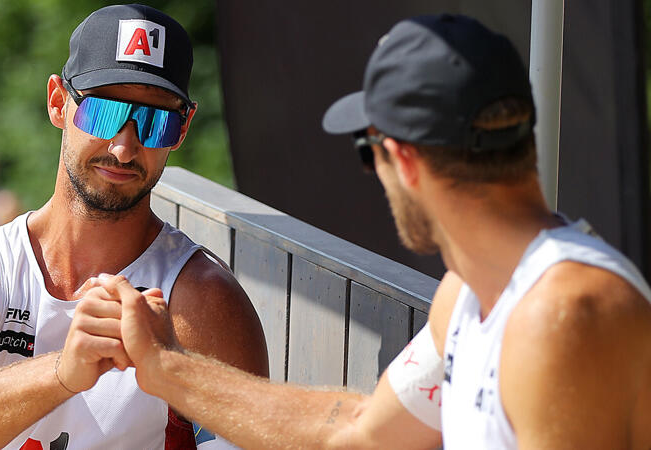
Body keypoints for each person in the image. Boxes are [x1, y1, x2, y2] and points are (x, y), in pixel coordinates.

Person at [112, 14, 651, 449]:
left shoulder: (563, 315)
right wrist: (167, 368)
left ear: (402, 159)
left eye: (368, 154)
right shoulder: (469, 295)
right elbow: (359, 432)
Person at [0, 4, 268, 449]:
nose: (124, 147)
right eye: (105, 113)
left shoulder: (205, 301)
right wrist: (63, 371)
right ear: (57, 102)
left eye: (155, 120)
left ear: (183, 127)